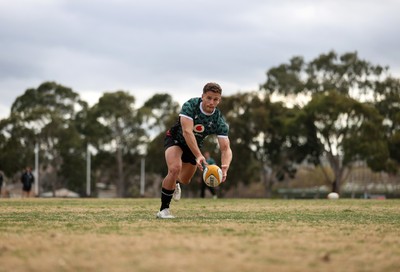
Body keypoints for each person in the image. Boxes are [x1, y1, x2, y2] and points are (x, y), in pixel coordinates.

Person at [157, 82, 233, 219]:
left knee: (185, 180)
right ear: (202, 96)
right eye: (209, 98)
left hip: (194, 146)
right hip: (176, 139)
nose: (211, 102)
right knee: (174, 168)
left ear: (219, 100)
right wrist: (199, 155)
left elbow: (226, 148)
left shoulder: (218, 121)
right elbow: (187, 132)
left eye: (215, 99)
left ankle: (176, 183)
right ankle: (164, 210)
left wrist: (225, 166)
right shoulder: (190, 106)